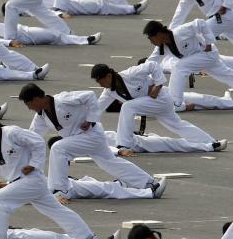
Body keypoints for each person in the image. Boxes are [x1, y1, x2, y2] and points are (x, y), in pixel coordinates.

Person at [0, 113, 94, 239]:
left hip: (31, 180)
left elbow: (38, 141)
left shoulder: (11, 133)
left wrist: (34, 164)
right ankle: (86, 235)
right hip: (22, 183)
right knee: (56, 209)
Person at [18, 83, 163, 195]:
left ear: (36, 99)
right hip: (81, 140)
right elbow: (32, 137)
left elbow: (90, 95)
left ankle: (59, 190)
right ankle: (149, 183)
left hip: (91, 134)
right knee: (110, 162)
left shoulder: (63, 100)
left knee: (58, 148)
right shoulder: (41, 116)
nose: (29, 108)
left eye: (28, 104)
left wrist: (91, 119)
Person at [91, 62, 222, 154]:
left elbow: (153, 65)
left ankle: (124, 144)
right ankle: (211, 142)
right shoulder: (109, 91)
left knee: (127, 106)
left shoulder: (130, 74)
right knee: (177, 124)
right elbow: (97, 107)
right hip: (152, 105)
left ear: (108, 76)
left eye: (100, 81)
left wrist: (157, 86)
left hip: (160, 98)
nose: (100, 84)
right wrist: (86, 122)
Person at [144, 19, 233, 107]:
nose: (151, 42)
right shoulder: (161, 48)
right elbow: (150, 63)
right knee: (228, 75)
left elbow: (201, 23)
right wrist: (138, 77)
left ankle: (175, 102)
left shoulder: (180, 32)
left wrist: (209, 43)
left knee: (179, 67)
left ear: (159, 34)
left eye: (151, 39)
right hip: (199, 60)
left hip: (207, 54)